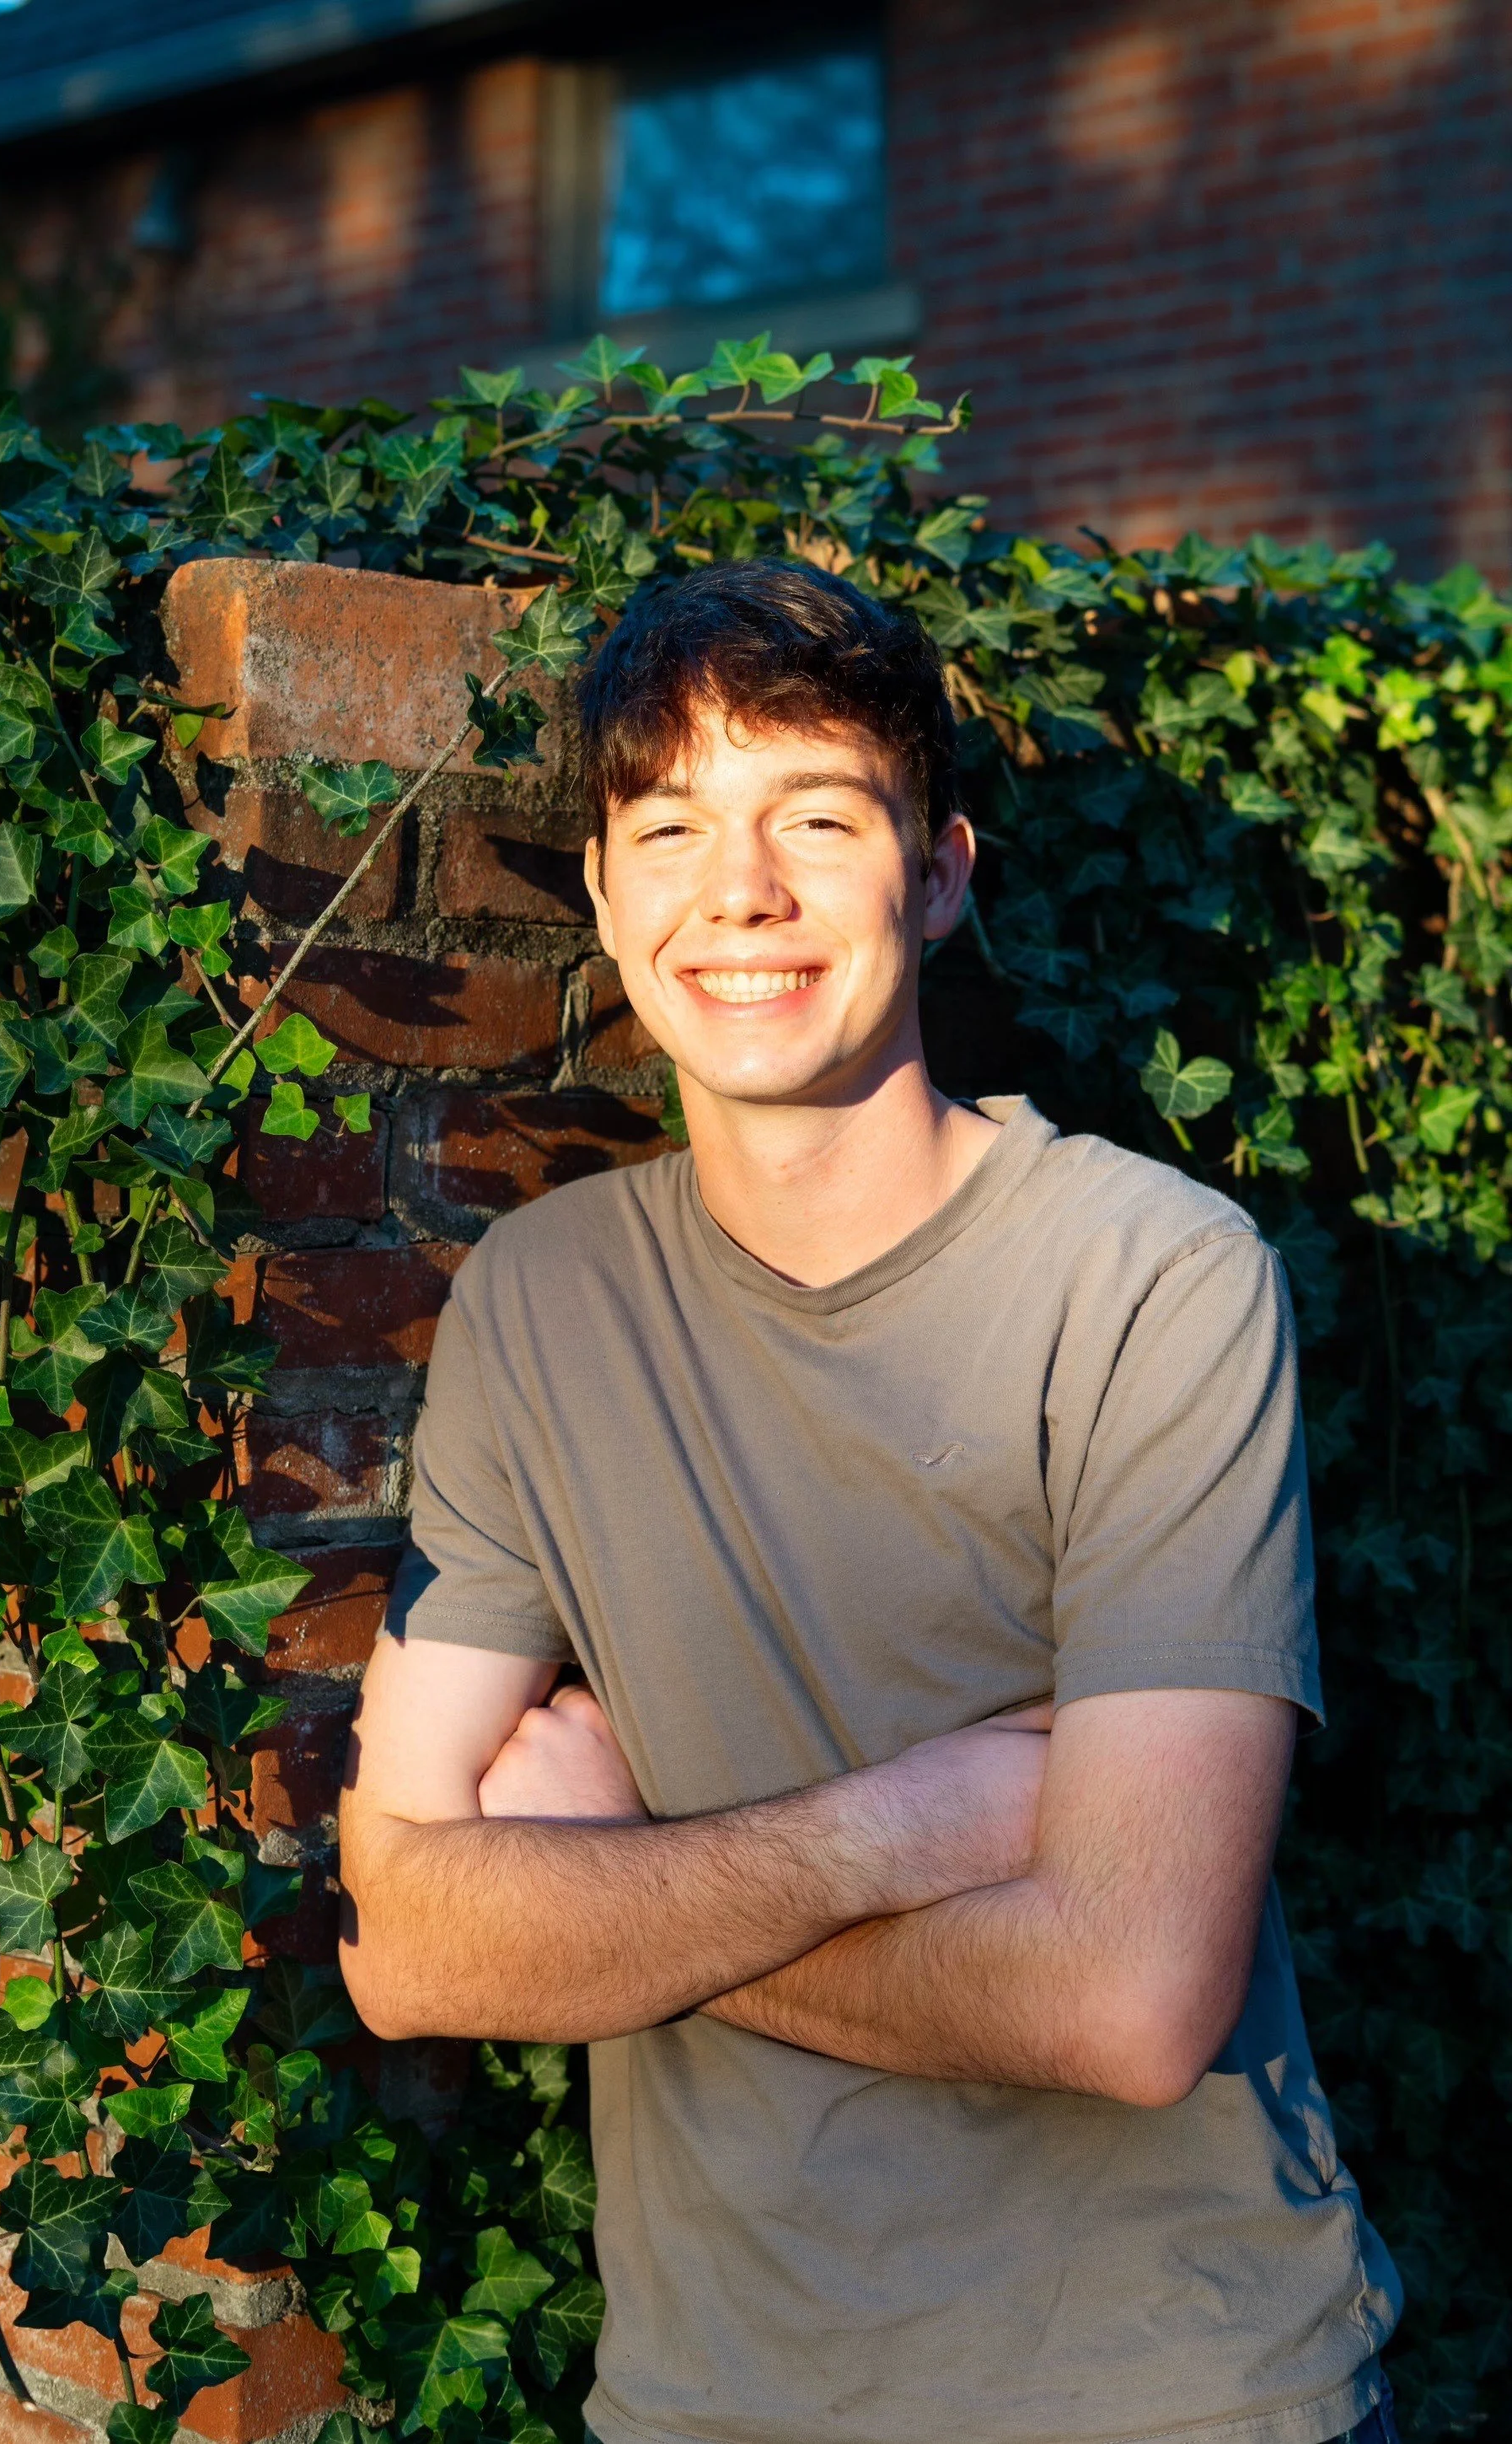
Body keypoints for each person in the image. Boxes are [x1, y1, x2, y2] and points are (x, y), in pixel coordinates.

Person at [338, 560, 1402, 2444]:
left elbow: (1132, 2002)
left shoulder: (1152, 1279)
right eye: (668, 827)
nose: (736, 893)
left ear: (939, 871)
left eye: (814, 819)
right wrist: (909, 1826)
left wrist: (621, 1880)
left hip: (1162, 2392)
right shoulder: (544, 1301)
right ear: (599, 891)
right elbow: (414, 1948)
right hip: (706, 2403)